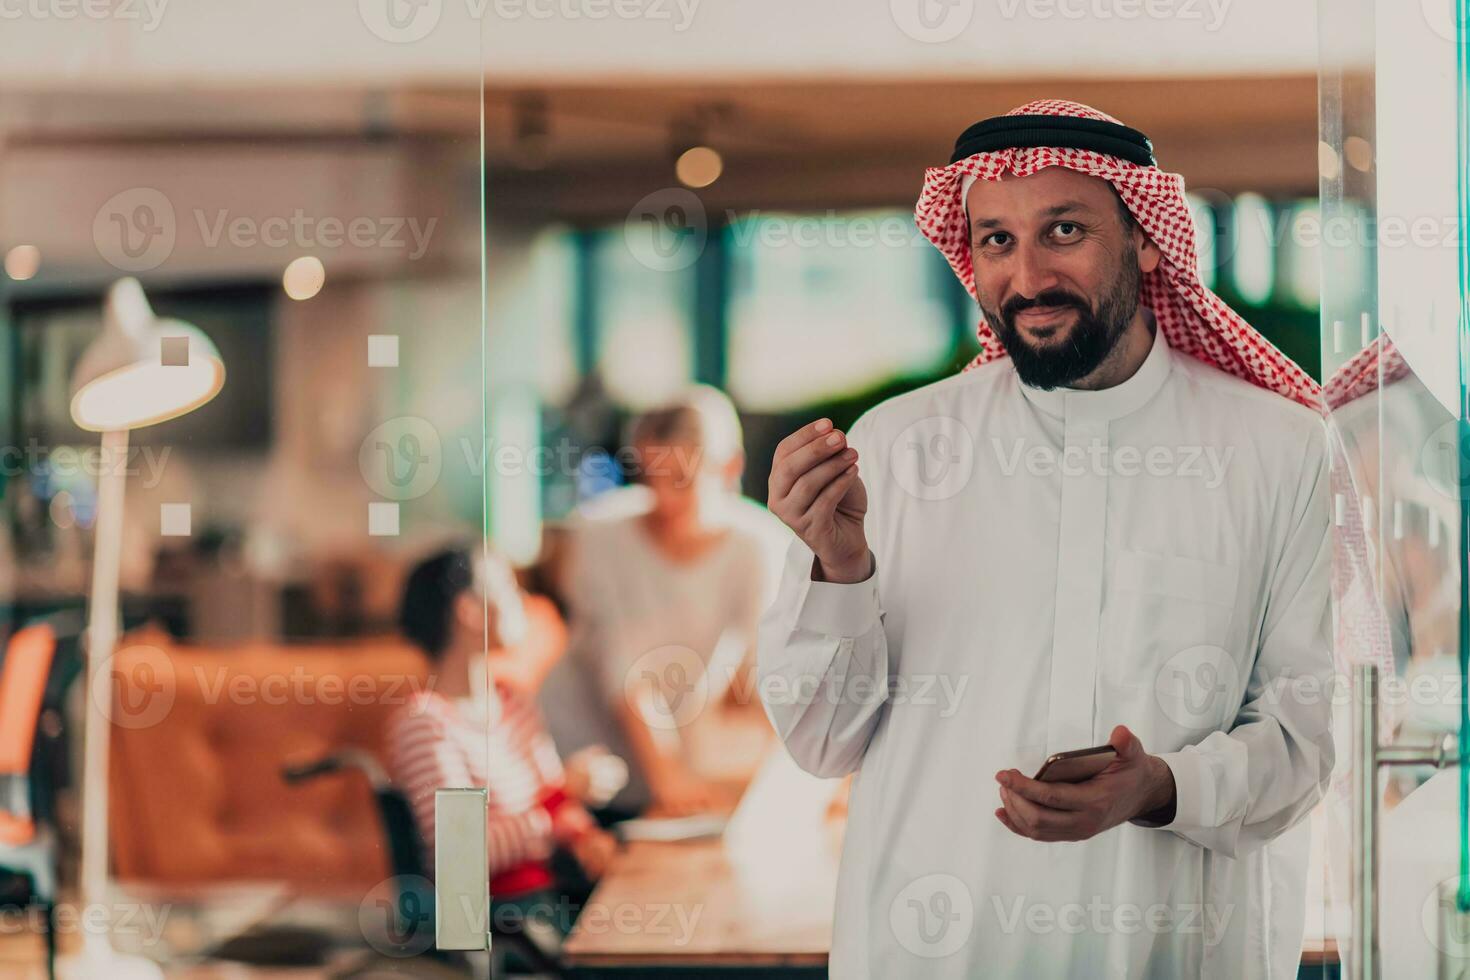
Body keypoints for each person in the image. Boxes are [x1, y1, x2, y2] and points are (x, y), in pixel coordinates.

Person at [758, 100, 1335, 978]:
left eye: (1063, 230)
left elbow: (1311, 735)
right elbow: (822, 741)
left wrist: (1161, 787)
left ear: (1146, 239)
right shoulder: (900, 449)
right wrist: (840, 569)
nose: (1026, 276)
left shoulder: (1279, 452)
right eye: (995, 240)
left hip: (1172, 951)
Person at [542, 386, 775, 816]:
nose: (664, 498)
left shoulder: (761, 546)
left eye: (682, 480)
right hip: (584, 761)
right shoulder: (600, 534)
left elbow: (770, 670)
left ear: (729, 467)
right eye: (651, 478)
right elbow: (627, 671)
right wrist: (668, 774)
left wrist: (802, 775)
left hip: (674, 767)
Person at [386, 546, 625, 940]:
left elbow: (554, 803)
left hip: (546, 901)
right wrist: (562, 796)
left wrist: (584, 835)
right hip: (504, 923)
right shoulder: (427, 723)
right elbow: (462, 858)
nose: (525, 603)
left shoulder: (513, 701)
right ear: (469, 611)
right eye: (510, 589)